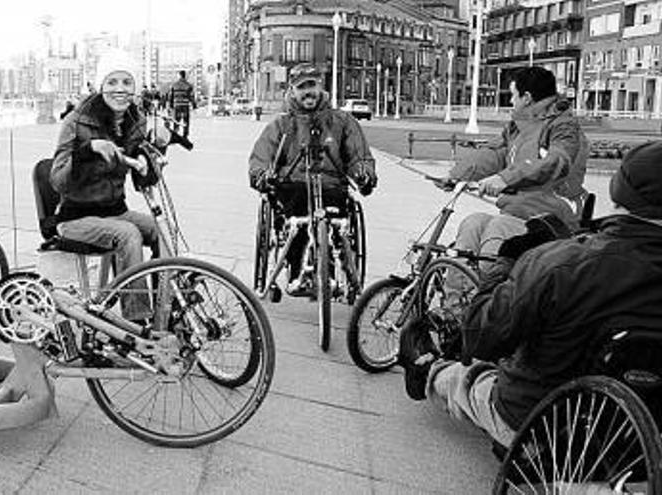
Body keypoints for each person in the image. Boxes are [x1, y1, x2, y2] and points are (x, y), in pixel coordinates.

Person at [399, 140, 662, 447]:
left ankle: (428, 370)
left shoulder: (561, 263)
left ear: (619, 193)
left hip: (541, 420)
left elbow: (481, 337)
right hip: (642, 433)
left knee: (469, 379)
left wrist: (506, 265)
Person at [439, 66, 588, 276]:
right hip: (517, 215)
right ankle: (455, 304)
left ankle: (485, 299)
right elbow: (495, 155)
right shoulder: (517, 128)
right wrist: (455, 176)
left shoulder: (564, 127)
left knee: (499, 229)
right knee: (473, 224)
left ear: (526, 97)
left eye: (513, 95)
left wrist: (505, 179)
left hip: (552, 219)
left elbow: (557, 161)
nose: (511, 101)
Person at [247, 63, 377, 296]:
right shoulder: (281, 124)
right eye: (301, 87)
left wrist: (364, 173)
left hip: (332, 185)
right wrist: (261, 175)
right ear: (292, 91)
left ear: (321, 87)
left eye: (312, 86)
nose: (308, 92)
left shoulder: (342, 122)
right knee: (296, 215)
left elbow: (359, 155)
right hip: (293, 186)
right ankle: (297, 271)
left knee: (336, 214)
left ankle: (331, 268)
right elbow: (261, 156)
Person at [49, 49, 159, 321]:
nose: (120, 89)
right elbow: (57, 180)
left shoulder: (135, 121)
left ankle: (164, 307)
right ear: (101, 86)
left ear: (135, 88)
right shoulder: (76, 121)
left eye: (127, 82)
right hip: (76, 217)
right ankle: (137, 322)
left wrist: (154, 153)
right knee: (128, 234)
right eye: (112, 82)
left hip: (114, 210)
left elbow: (141, 179)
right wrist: (88, 150)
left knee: (161, 231)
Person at [167, 70, 196, 138]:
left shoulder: (174, 85)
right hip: (185, 105)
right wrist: (194, 104)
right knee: (186, 120)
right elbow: (191, 96)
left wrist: (170, 105)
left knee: (176, 120)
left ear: (179, 75)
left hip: (177, 105)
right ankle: (185, 135)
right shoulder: (188, 85)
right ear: (184, 76)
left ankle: (175, 133)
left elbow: (171, 96)